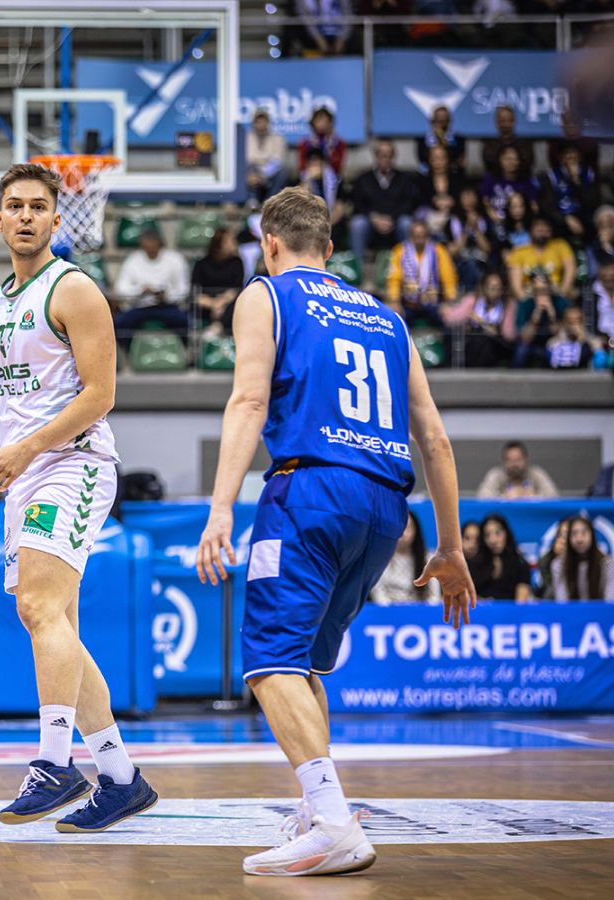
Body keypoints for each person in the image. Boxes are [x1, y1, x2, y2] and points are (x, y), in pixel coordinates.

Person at [194, 187, 474, 876]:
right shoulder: (388, 317)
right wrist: (451, 546)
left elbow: (250, 399)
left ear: (271, 243)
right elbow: (434, 438)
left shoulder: (265, 294)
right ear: (330, 248)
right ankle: (317, 809)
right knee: (309, 663)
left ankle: (331, 820)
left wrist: (221, 506)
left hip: (311, 489)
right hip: (385, 505)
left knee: (267, 661)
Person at [0, 163, 158, 834]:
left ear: (54, 220)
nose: (23, 216)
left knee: (41, 607)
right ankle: (121, 778)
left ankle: (54, 762)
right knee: (49, 622)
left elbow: (100, 396)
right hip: (28, 469)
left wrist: (24, 450)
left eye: (37, 207)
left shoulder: (73, 290)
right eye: (13, 205)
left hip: (73, 464)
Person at [112, 227, 191, 343]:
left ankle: (184, 354)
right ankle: (129, 354)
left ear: (159, 243)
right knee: (120, 323)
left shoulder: (175, 259)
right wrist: (140, 290)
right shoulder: (132, 261)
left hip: (167, 307)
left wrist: (167, 296)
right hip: (140, 307)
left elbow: (183, 289)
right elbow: (120, 289)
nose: (150, 249)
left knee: (186, 322)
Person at [348, 139, 417, 264]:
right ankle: (358, 269)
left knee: (407, 223)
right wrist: (374, 217)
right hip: (371, 221)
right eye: (382, 155)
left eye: (389, 155)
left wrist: (392, 218)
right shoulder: (363, 179)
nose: (386, 159)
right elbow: (357, 204)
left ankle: (409, 266)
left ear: (394, 157)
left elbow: (408, 204)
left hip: (395, 222)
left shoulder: (404, 179)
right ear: (376, 156)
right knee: (357, 224)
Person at [385, 219, 458, 327]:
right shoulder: (399, 251)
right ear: (410, 237)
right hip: (407, 304)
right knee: (393, 320)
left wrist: (449, 302)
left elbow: (448, 278)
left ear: (428, 236)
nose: (419, 239)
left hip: (433, 303)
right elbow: (394, 279)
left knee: (451, 319)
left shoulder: (439, 251)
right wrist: (395, 301)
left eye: (422, 235)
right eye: (416, 236)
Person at [441, 270, 516, 368]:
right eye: (491, 287)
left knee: (486, 342)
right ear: (484, 287)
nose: (495, 291)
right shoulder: (473, 301)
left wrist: (483, 324)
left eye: (498, 288)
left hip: (496, 347)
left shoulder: (507, 305)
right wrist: (466, 314)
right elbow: (449, 319)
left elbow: (510, 335)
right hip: (472, 346)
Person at [369, 514, 441, 604]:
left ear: (416, 531)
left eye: (407, 528)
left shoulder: (429, 559)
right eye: (398, 528)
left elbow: (434, 598)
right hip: (388, 613)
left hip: (420, 613)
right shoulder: (378, 559)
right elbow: (378, 596)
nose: (403, 533)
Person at [540, 142, 600, 244]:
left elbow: (592, 203)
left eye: (574, 154)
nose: (571, 157)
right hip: (561, 220)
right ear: (561, 158)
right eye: (568, 154)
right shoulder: (552, 176)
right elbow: (548, 206)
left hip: (584, 217)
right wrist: (566, 219)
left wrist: (577, 181)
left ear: (579, 157)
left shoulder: (588, 173)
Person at [507, 217, 577, 300]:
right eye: (538, 228)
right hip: (529, 294)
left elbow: (571, 269)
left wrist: (562, 295)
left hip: (556, 292)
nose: (542, 231)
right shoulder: (519, 251)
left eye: (545, 228)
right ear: (531, 231)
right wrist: (525, 303)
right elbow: (516, 285)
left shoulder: (560, 246)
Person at [191, 228, 244, 335]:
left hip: (228, 303)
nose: (235, 243)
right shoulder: (202, 264)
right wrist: (213, 304)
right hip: (206, 304)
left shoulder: (237, 263)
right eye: (231, 240)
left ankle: (217, 327)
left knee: (239, 300)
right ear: (220, 244)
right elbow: (196, 292)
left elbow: (235, 289)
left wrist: (221, 303)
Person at [514, 274, 571, 368]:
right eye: (538, 291)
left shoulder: (560, 302)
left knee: (561, 348)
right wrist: (535, 318)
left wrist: (552, 316)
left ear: (550, 289)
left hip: (554, 342)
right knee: (521, 350)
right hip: (532, 344)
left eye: (544, 291)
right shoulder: (525, 303)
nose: (542, 295)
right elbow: (525, 338)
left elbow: (562, 334)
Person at [552, 517, 614, 602]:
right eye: (574, 533)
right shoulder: (558, 565)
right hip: (571, 614)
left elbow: (610, 602)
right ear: (568, 538)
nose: (579, 539)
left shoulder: (608, 564)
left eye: (584, 533)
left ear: (592, 535)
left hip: (601, 614)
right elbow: (562, 602)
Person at [472, 514, 532, 602]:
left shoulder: (521, 565)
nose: (493, 540)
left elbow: (521, 604)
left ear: (507, 533)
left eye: (498, 533)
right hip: (480, 614)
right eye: (487, 535)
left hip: (511, 614)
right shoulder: (474, 564)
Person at [448, 186, 495, 293]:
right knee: (469, 265)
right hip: (460, 262)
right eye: (465, 197)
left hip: (481, 262)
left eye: (471, 197)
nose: (469, 201)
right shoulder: (453, 221)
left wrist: (476, 229)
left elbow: (487, 249)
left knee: (475, 266)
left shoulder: (486, 220)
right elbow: (453, 252)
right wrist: (467, 229)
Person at [477, 440, 559, 499]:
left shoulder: (536, 473)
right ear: (504, 462)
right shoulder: (496, 474)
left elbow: (554, 496)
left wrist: (534, 497)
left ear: (526, 460)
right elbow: (482, 497)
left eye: (518, 460)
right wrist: (506, 497)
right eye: (510, 460)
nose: (514, 464)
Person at [481, 146, 539, 227]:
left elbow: (534, 206)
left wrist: (524, 221)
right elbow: (486, 202)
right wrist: (494, 216)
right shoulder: (491, 178)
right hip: (494, 222)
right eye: (507, 159)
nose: (511, 162)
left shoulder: (526, 180)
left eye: (515, 159)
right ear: (500, 160)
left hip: (520, 224)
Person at [245, 109, 289, 206]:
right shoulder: (246, 138)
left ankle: (270, 203)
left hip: (270, 174)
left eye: (263, 120)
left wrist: (263, 175)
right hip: (252, 172)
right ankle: (253, 203)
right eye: (258, 121)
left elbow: (277, 161)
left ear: (268, 122)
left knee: (283, 171)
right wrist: (252, 175)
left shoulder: (278, 138)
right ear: (253, 123)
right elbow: (247, 159)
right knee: (248, 168)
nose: (261, 123)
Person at [481, 105, 534, 178]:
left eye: (508, 120)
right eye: (502, 120)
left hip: (521, 181)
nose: (505, 124)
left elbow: (527, 163)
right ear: (497, 122)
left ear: (514, 121)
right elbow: (489, 163)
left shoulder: (525, 143)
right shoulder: (490, 144)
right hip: (496, 181)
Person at [546, 304, 598, 370]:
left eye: (577, 321)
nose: (573, 325)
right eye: (570, 321)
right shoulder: (555, 341)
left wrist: (582, 339)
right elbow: (550, 347)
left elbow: (597, 351)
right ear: (564, 322)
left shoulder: (590, 340)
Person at [298, 106, 346, 175]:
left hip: (332, 177)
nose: (322, 123)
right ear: (313, 122)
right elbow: (302, 166)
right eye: (318, 120)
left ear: (330, 122)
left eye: (325, 120)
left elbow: (338, 167)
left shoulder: (339, 142)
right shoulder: (305, 143)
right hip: (309, 175)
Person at [417, 105, 465, 173]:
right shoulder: (422, 140)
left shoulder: (459, 140)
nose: (442, 124)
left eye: (445, 121)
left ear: (449, 122)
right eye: (439, 121)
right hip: (428, 176)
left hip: (452, 174)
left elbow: (459, 161)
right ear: (432, 121)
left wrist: (442, 139)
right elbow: (422, 160)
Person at [535, 517, 572, 599]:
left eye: (569, 534)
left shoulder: (597, 559)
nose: (564, 540)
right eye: (561, 535)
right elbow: (554, 588)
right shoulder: (546, 560)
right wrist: (559, 559)